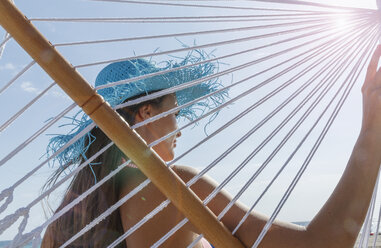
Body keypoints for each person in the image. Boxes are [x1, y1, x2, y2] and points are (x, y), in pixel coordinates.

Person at [42, 46, 381, 248]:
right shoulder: (174, 190)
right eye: (174, 112)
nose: (179, 128)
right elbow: (321, 246)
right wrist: (371, 132)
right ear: (146, 113)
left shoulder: (61, 227)